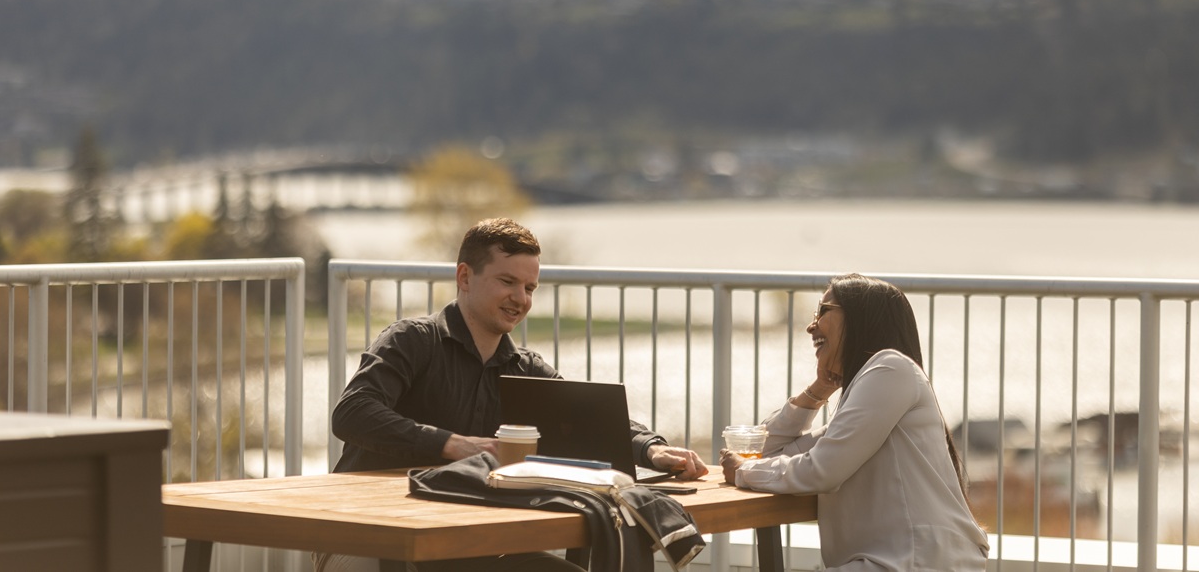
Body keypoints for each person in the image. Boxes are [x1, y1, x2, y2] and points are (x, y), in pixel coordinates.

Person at [315, 217, 707, 572]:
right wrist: (452, 445)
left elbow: (591, 420)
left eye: (529, 287)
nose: (521, 298)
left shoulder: (525, 367)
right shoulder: (412, 340)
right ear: (464, 277)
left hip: (467, 543)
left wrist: (653, 450)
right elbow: (351, 413)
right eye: (507, 282)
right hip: (367, 533)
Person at [720, 273, 989, 571]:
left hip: (916, 561)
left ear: (861, 317)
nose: (811, 326)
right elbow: (767, 452)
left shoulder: (891, 368)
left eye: (823, 311)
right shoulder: (868, 394)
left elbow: (820, 470)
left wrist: (744, 471)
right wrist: (818, 390)